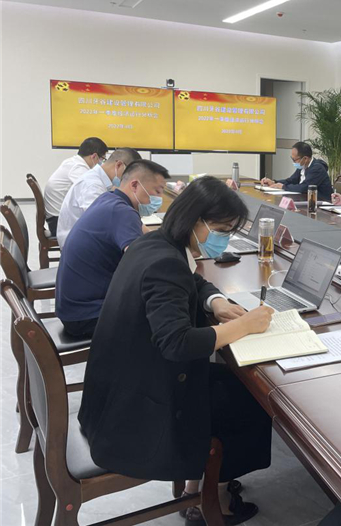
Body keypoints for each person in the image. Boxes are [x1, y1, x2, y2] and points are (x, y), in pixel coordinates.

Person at [78, 176, 273, 525]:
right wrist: (243, 325)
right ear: (196, 221)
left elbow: (191, 279)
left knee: (233, 385)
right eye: (221, 230)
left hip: (119, 389)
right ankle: (215, 498)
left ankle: (197, 487)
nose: (223, 239)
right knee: (249, 400)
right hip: (136, 413)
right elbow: (177, 343)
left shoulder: (153, 243)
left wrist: (215, 302)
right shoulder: (165, 264)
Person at [55, 159, 169, 337]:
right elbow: (142, 265)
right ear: (135, 185)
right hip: (86, 315)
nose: (159, 199)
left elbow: (147, 236)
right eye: (157, 191)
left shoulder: (109, 199)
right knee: (166, 314)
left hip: (73, 308)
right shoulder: (123, 212)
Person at [56, 147, 141, 247]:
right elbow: (101, 221)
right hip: (77, 244)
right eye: (129, 175)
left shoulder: (100, 180)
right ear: (119, 165)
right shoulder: (93, 185)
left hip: (84, 238)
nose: (129, 180)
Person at [43, 136, 108, 234]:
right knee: (101, 221)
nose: (102, 163)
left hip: (55, 217)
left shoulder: (73, 162)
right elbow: (91, 190)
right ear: (94, 156)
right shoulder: (78, 167)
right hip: (58, 222)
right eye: (102, 159)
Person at [259, 141, 334, 200]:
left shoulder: (317, 168)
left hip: (321, 203)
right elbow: (291, 180)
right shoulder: (303, 166)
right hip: (305, 199)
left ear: (305, 159)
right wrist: (274, 182)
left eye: (294, 160)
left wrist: (283, 186)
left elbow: (304, 187)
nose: (294, 162)